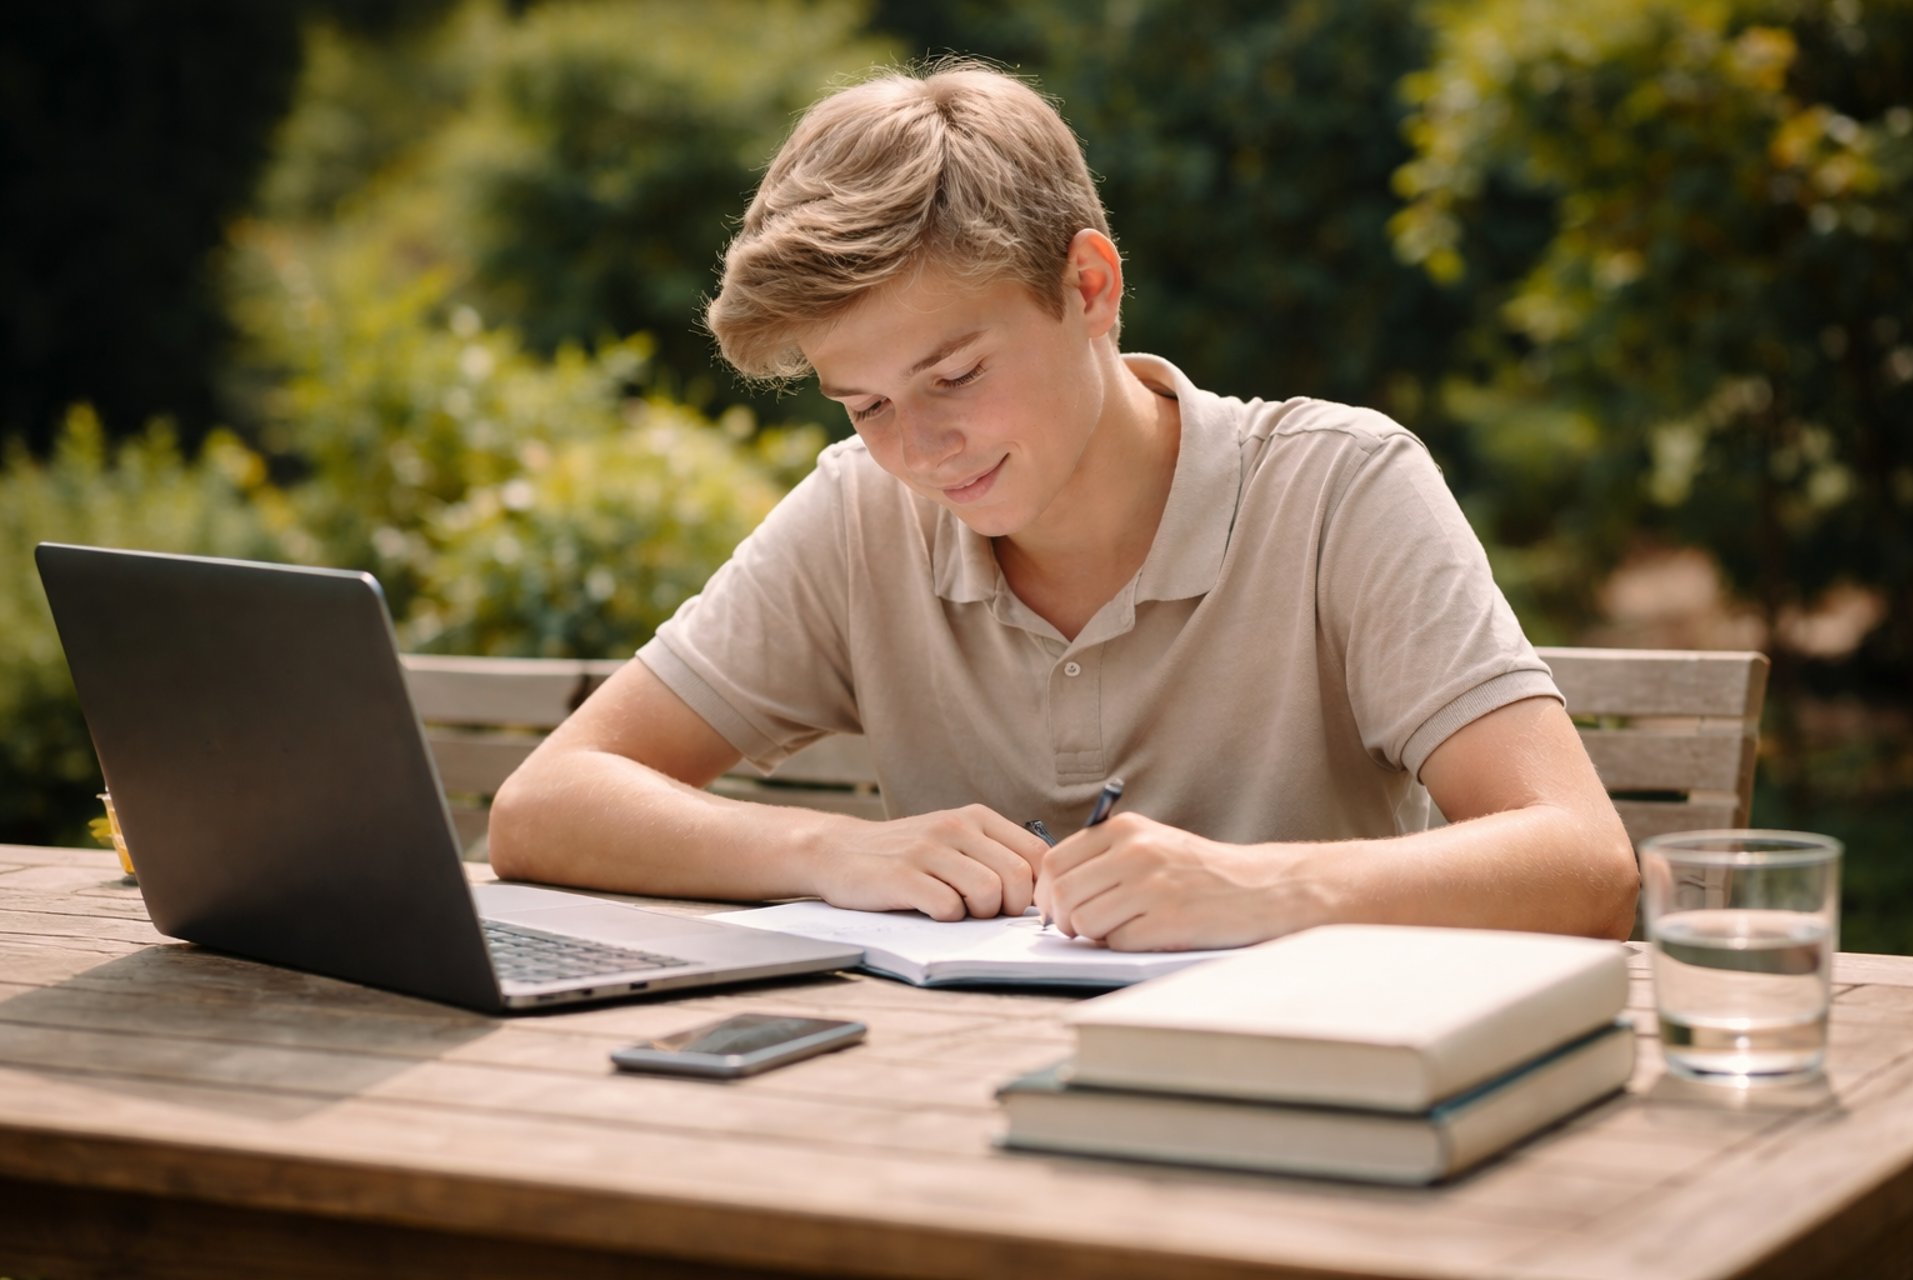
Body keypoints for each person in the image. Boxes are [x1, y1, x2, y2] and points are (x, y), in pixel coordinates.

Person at [487, 60, 1639, 950]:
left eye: (954, 377)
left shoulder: (1340, 485)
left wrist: (1262, 885)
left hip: (1317, 1119)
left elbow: (1586, 863)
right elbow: (545, 804)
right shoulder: (859, 516)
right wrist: (832, 850)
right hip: (945, 1125)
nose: (921, 450)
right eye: (866, 404)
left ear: (1091, 286)